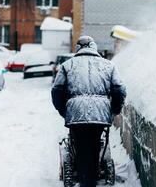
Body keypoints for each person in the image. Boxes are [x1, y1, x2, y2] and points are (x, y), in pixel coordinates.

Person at [51, 35, 126, 187]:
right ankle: (93, 174)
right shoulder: (108, 65)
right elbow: (119, 90)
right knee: (95, 145)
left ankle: (86, 179)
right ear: (94, 47)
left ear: (77, 48)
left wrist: (64, 111)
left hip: (76, 116)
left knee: (80, 148)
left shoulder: (67, 65)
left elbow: (57, 91)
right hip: (100, 116)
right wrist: (114, 110)